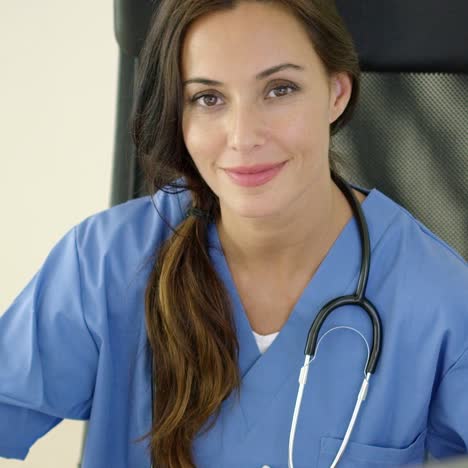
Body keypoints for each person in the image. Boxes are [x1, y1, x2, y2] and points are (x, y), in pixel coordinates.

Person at [1, 0, 467, 467]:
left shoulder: (437, 298)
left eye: (279, 89)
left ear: (336, 93)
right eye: (208, 98)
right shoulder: (103, 265)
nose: (243, 136)